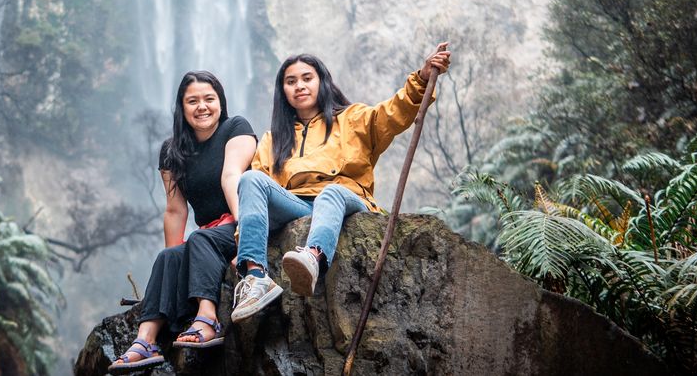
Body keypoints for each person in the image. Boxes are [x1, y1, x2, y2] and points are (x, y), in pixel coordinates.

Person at [229, 43, 450, 322]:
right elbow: (254, 196)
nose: (299, 86)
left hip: (345, 198)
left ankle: (313, 256)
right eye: (291, 81)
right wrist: (242, 246)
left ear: (322, 82)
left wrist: (421, 77)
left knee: (331, 192)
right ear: (282, 92)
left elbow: (394, 113)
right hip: (296, 205)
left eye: (307, 78)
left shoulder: (353, 119)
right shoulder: (274, 139)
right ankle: (256, 277)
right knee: (250, 178)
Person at [110, 71, 258, 371]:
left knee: (199, 240)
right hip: (210, 237)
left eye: (209, 99)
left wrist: (245, 231)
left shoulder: (236, 128)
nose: (201, 106)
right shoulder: (172, 150)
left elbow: (233, 176)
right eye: (193, 101)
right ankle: (145, 340)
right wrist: (178, 263)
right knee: (169, 256)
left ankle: (207, 319)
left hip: (245, 221)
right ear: (182, 107)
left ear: (221, 102)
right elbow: (175, 210)